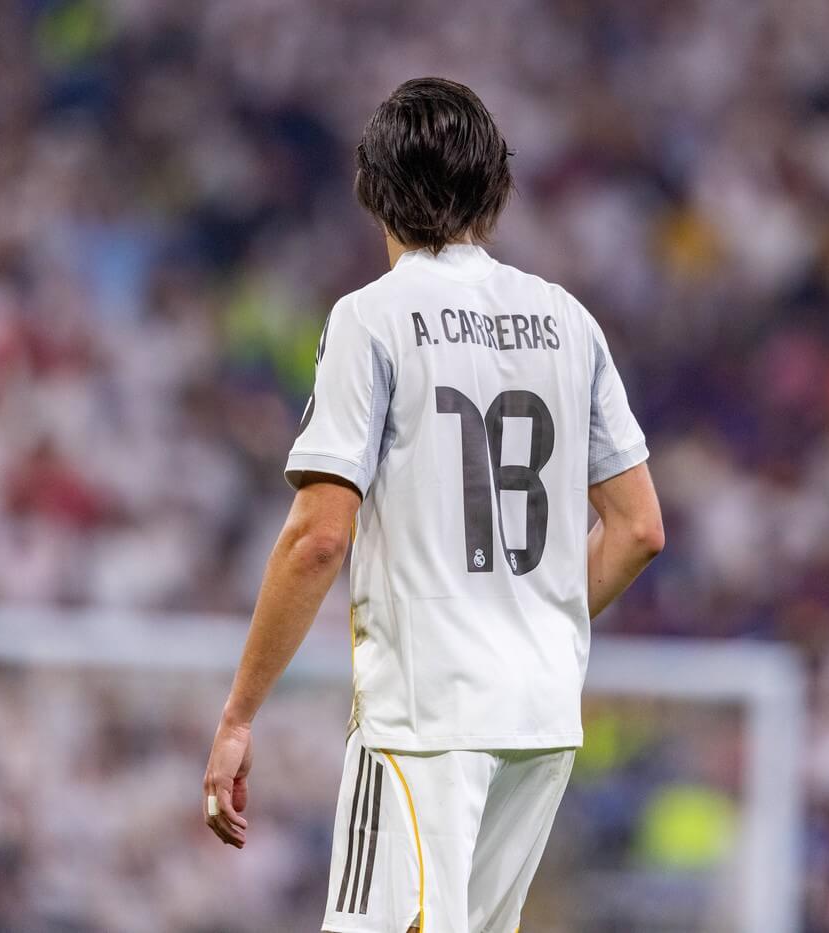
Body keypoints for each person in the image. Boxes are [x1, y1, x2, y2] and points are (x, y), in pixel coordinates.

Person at [203, 77, 664, 933]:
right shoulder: (569, 321)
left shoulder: (372, 319)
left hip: (426, 716)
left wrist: (238, 714)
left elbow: (318, 538)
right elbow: (638, 527)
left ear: (374, 192)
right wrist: (528, 616)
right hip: (541, 712)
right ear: (496, 189)